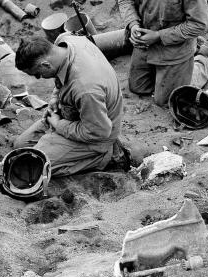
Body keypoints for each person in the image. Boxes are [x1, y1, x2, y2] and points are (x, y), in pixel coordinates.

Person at [14, 34, 125, 177]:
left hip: (97, 135)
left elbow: (98, 132)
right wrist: (55, 97)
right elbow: (62, 78)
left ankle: (104, 157)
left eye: (38, 74)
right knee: (20, 146)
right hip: (76, 114)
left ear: (46, 65)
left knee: (34, 168)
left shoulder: (85, 89)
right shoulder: (65, 41)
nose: (39, 78)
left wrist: (58, 124)